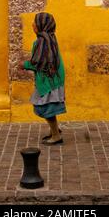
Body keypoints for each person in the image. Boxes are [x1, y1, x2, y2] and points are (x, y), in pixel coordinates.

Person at [22, 12, 66, 145]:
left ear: (41, 26)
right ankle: (54, 130)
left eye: (35, 22)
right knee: (49, 106)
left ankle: (56, 136)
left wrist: (24, 65)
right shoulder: (51, 39)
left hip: (49, 81)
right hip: (54, 79)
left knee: (45, 107)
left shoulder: (40, 42)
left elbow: (38, 64)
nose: (32, 24)